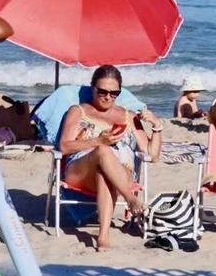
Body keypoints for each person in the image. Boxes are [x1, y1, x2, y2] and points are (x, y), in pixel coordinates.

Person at [59, 65, 163, 250]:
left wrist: (156, 126)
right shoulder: (78, 111)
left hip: (119, 174)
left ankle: (103, 236)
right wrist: (98, 141)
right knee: (104, 151)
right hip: (81, 171)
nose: (108, 97)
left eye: (114, 93)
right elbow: (64, 146)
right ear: (93, 89)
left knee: (104, 171)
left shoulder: (129, 117)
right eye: (102, 91)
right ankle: (131, 199)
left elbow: (152, 155)